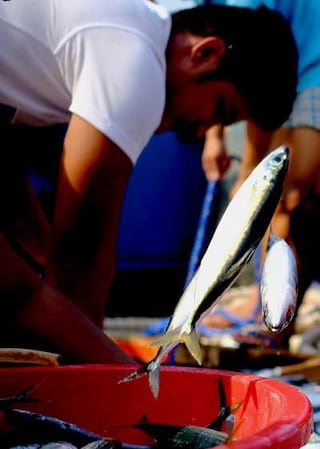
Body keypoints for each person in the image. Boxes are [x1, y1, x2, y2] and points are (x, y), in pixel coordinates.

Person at [0, 0, 298, 364]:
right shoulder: (138, 62)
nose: (203, 129)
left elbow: (11, 188)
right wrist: (122, 384)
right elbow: (79, 260)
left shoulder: (114, 24)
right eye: (220, 110)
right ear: (206, 53)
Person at [198, 0, 320, 336]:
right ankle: (266, 303)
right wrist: (212, 137)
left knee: (292, 195)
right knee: (276, 203)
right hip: (274, 75)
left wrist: (249, 172)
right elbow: (218, 70)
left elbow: (260, 69)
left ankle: (276, 314)